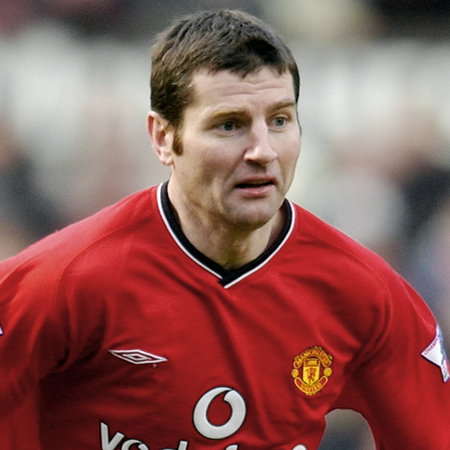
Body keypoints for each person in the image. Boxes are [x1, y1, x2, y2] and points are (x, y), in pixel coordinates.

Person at [0, 9, 449, 450]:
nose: (262, 151)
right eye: (229, 125)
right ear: (163, 138)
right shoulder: (64, 280)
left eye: (279, 120)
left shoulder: (365, 294)